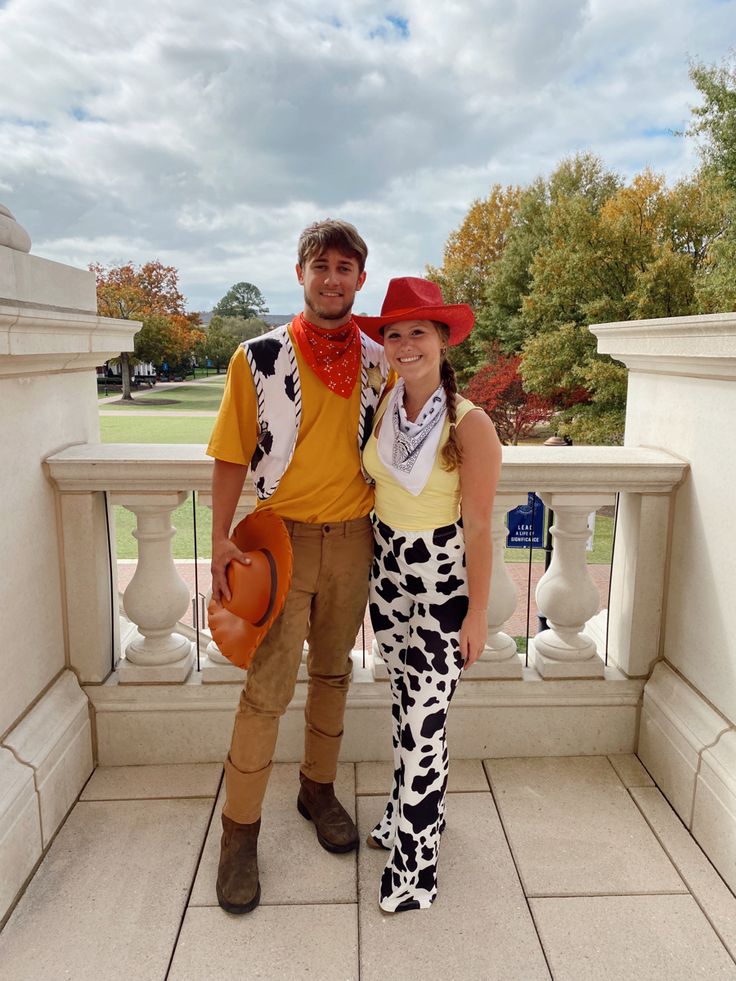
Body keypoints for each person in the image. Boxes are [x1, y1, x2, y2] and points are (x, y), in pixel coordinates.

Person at [206, 219, 390, 914]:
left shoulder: (378, 358)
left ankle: (317, 788)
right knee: (266, 690)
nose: (333, 277)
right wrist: (222, 536)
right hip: (281, 541)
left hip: (354, 539)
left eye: (346, 267)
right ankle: (239, 833)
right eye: (322, 265)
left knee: (334, 672)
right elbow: (230, 453)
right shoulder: (257, 357)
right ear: (301, 272)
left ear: (359, 280)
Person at [354, 276, 502, 913]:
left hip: (444, 583)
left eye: (419, 331)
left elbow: (479, 530)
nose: (405, 343)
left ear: (443, 340)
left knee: (425, 720)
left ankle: (415, 867)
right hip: (388, 574)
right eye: (394, 332)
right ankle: (407, 811)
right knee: (403, 706)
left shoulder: (471, 425)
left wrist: (475, 615)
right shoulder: (387, 403)